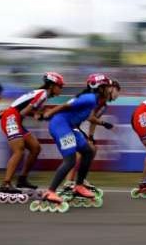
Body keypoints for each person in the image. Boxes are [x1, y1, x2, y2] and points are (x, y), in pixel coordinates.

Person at [29, 73, 120, 212]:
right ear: (100, 88)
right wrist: (48, 114)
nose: (109, 89)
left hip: (70, 127)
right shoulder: (89, 98)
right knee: (70, 160)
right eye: (107, 87)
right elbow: (66, 105)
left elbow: (87, 116)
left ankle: (79, 186)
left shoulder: (95, 100)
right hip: (61, 126)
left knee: (88, 152)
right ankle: (51, 191)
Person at [0, 72, 64, 199]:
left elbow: (22, 109)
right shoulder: (43, 94)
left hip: (14, 117)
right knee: (19, 150)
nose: (61, 88)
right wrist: (38, 115)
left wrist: (38, 114)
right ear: (52, 86)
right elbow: (24, 112)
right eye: (60, 86)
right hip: (12, 118)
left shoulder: (42, 93)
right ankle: (5, 184)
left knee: (35, 148)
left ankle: (22, 179)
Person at [61, 76, 120, 199]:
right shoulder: (97, 99)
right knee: (78, 153)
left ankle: (80, 180)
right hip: (67, 124)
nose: (118, 95)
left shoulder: (103, 105)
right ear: (109, 89)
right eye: (117, 91)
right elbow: (90, 118)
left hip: (73, 125)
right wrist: (105, 124)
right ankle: (68, 183)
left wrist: (91, 137)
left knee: (92, 149)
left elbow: (93, 120)